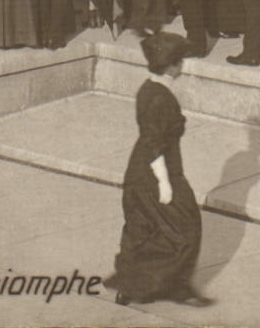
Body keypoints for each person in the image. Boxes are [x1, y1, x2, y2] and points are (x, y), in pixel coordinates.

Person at [108, 31, 211, 309]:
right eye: (180, 61)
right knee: (187, 228)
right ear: (172, 65)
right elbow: (155, 144)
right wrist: (165, 184)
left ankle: (130, 287)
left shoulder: (149, 89)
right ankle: (177, 288)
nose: (183, 66)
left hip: (139, 171)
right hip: (158, 172)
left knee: (143, 227)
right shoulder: (160, 99)